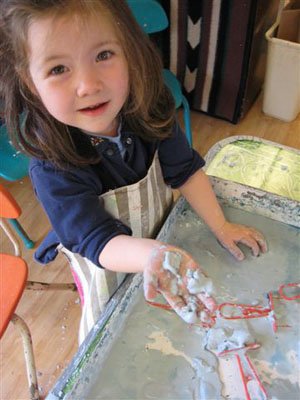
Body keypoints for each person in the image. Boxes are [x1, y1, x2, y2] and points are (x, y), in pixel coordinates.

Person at [0, 0, 267, 343]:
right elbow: (98, 241)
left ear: (128, 49)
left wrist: (221, 225)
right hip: (108, 268)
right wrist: (153, 255)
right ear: (30, 81)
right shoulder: (52, 165)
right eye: (58, 69)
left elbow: (184, 170)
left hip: (158, 237)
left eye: (103, 55)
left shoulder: (147, 108)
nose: (88, 85)